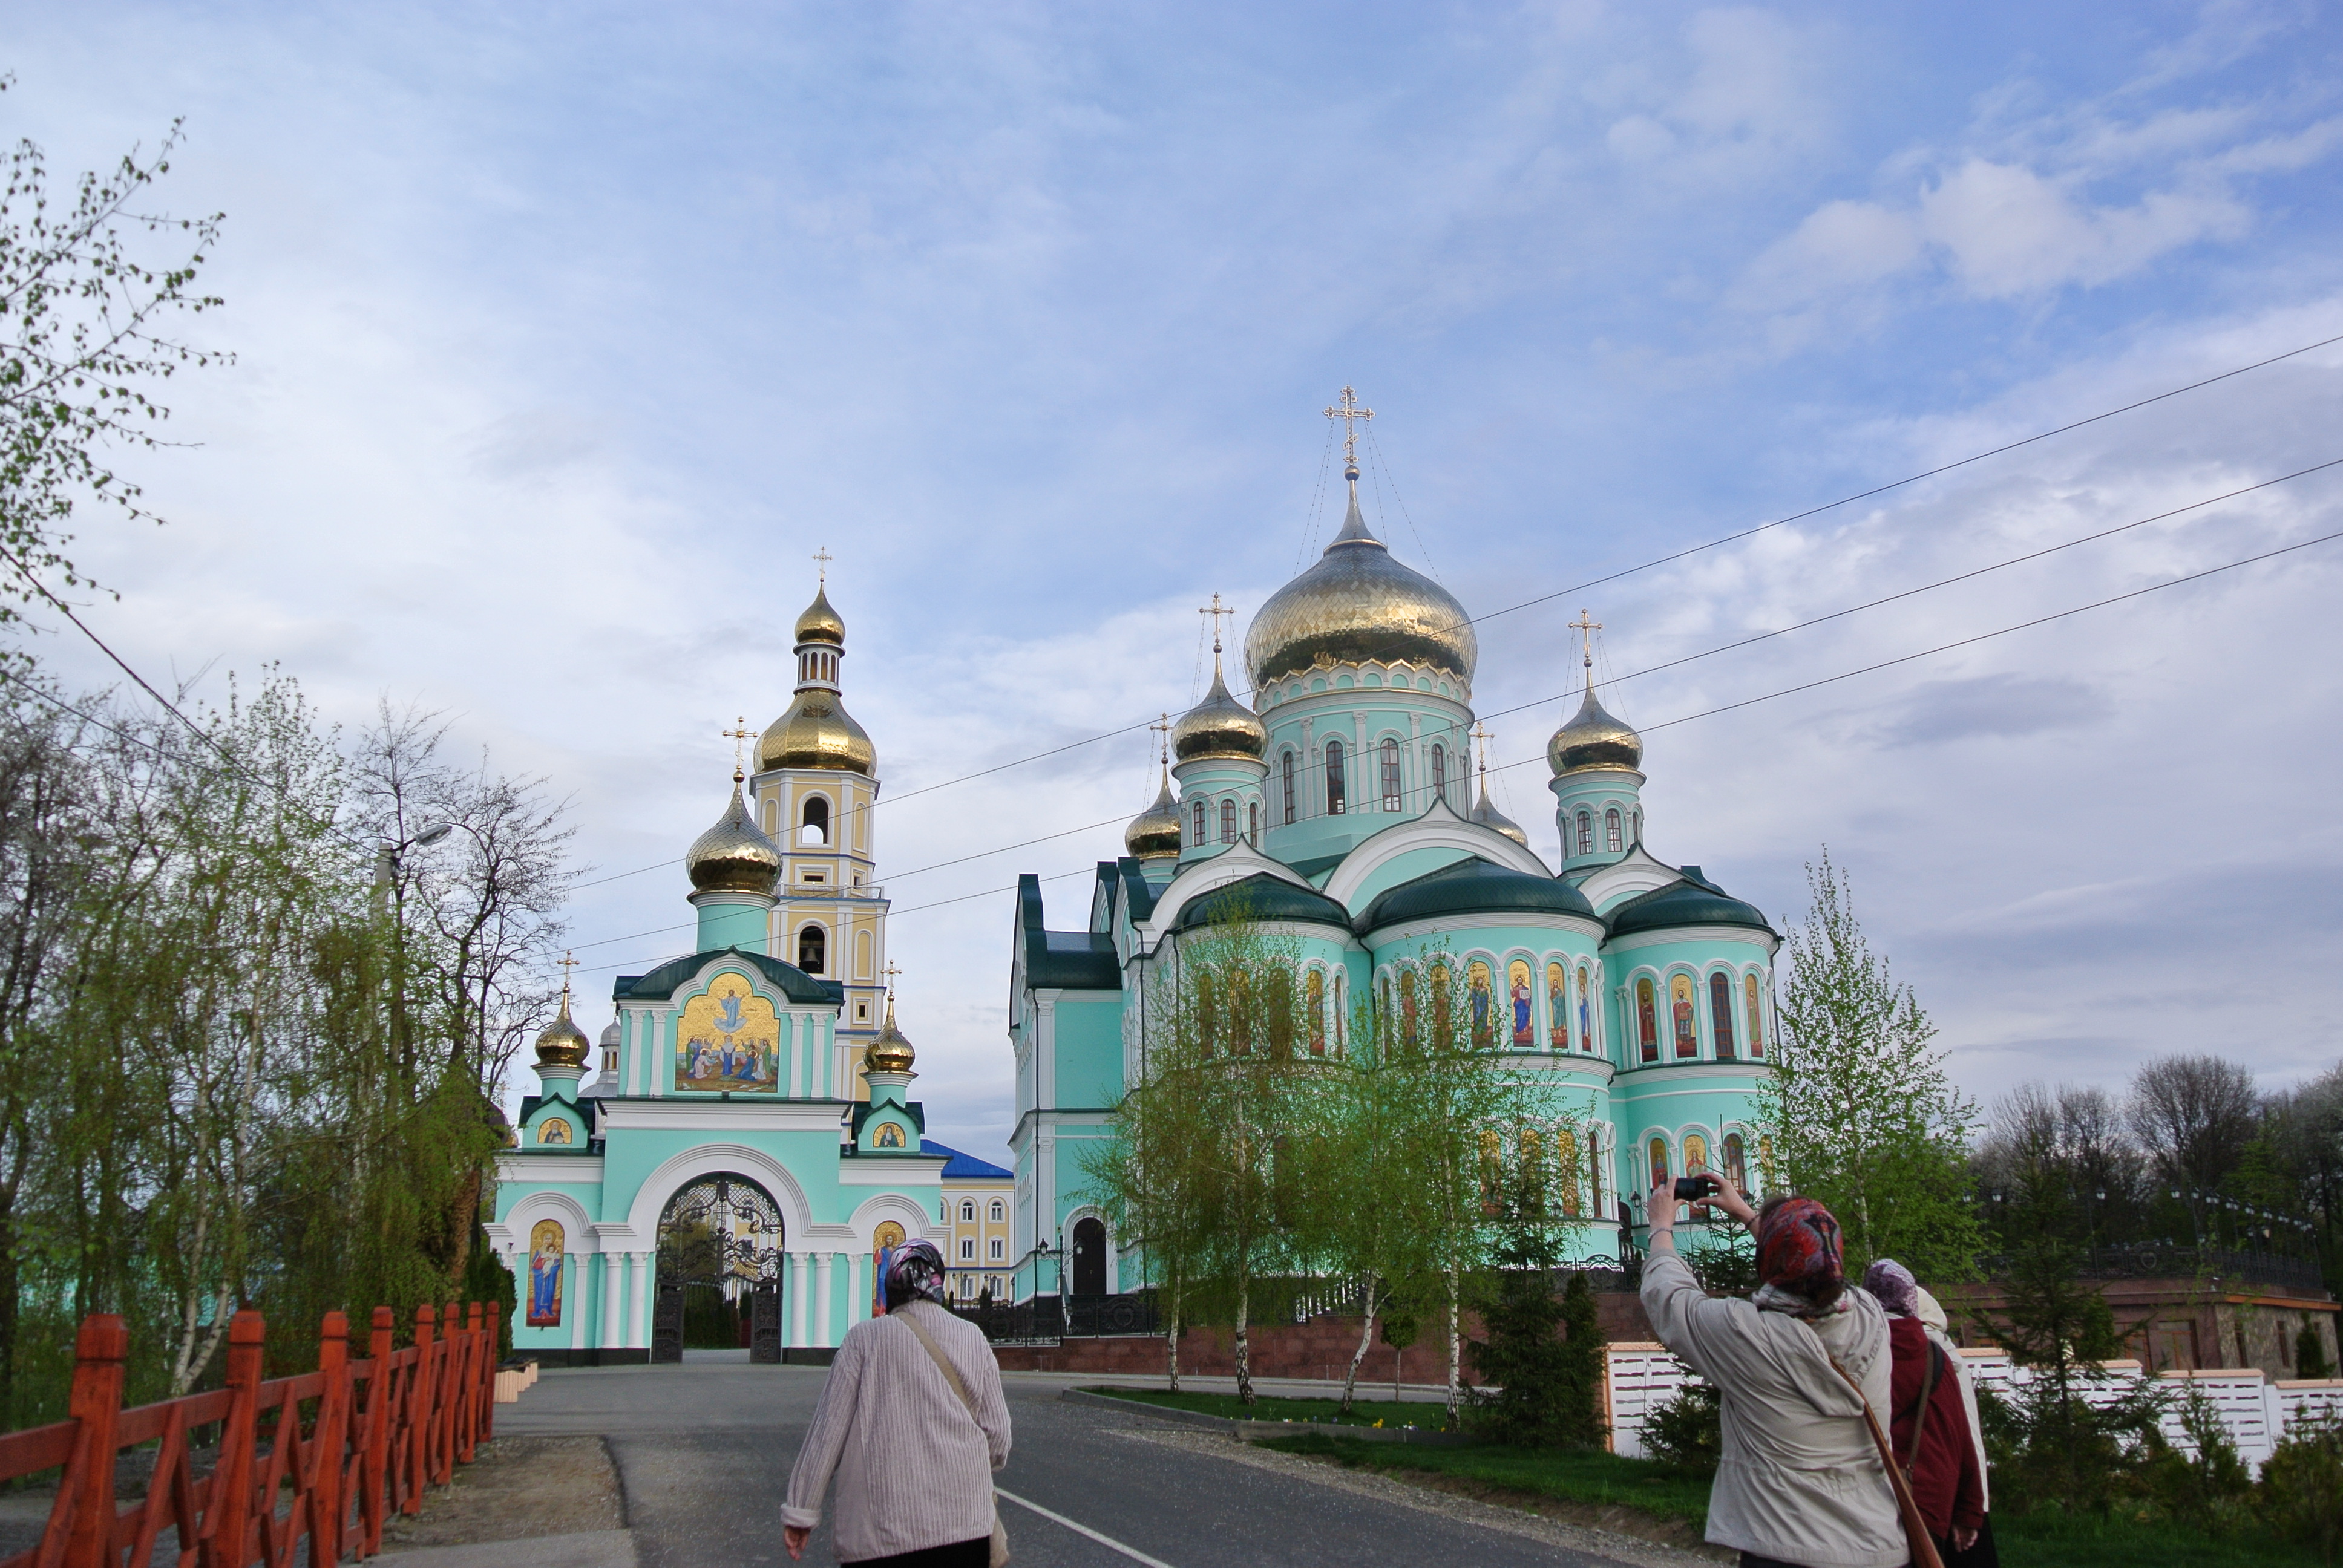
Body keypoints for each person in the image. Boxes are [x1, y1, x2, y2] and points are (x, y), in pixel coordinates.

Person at [1640, 1174, 1907, 1568]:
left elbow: (1671, 1298)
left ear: (1770, 1258)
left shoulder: (1748, 1336)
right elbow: (1812, 1261)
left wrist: (1661, 1227)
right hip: (1878, 1545)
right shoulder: (1871, 1319)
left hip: (1785, 1547)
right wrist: (1749, 1216)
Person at [783, 1240, 1011, 1566]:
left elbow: (826, 1435)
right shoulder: (973, 1337)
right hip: (966, 1529)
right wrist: (960, 1464)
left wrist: (800, 1511)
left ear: (891, 1286)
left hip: (883, 1535)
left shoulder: (863, 1340)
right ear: (938, 1284)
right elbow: (999, 1437)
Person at [1861, 1262, 1985, 1564]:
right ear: (1911, 1300)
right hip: (1928, 1504)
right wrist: (1968, 1512)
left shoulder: (1854, 1354)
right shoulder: (1935, 1356)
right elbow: (1960, 1436)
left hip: (1863, 1505)